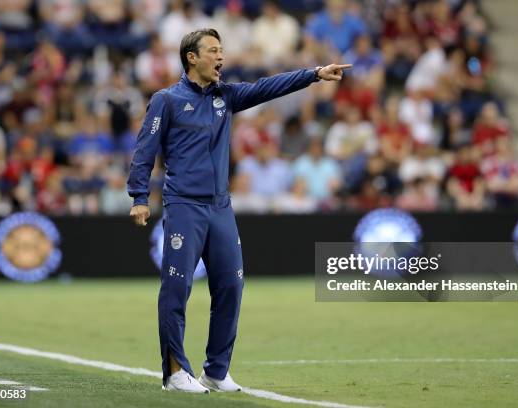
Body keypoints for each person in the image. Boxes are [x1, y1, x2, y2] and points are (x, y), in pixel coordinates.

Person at [127, 28, 350, 393]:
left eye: (222, 50)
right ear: (191, 57)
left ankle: (215, 370)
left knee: (231, 284)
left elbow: (267, 87)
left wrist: (313, 74)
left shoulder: (225, 97)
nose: (221, 57)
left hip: (220, 208)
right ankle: (174, 372)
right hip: (184, 206)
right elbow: (144, 150)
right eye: (213, 51)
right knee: (176, 288)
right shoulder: (165, 100)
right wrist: (138, 196)